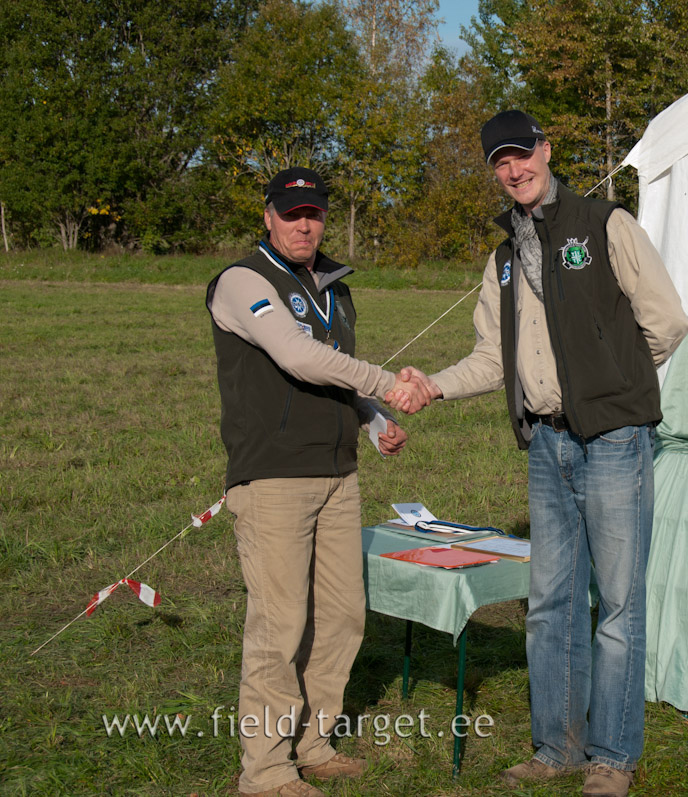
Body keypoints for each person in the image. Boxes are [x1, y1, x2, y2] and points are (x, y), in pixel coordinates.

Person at [397, 111, 688, 797]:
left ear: (546, 151)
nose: (515, 169)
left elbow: (668, 322)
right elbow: (489, 358)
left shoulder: (606, 224)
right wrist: (433, 386)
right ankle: (557, 745)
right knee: (551, 601)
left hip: (615, 440)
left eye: (523, 154)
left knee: (617, 602)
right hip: (546, 445)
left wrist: (612, 387)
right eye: (501, 162)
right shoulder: (501, 260)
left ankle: (612, 756)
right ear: (494, 171)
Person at [206, 167, 426, 797]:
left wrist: (373, 418)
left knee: (341, 616)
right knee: (280, 627)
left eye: (315, 213)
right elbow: (299, 357)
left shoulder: (333, 287)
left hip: (337, 474)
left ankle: (312, 742)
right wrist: (386, 384)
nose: (305, 224)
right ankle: (267, 772)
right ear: (268, 216)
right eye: (291, 212)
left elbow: (333, 375)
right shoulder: (241, 281)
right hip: (272, 476)